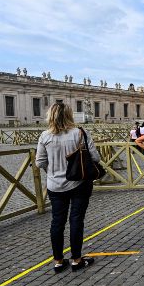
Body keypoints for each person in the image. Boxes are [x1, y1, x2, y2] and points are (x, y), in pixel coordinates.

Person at [35, 103, 99, 273]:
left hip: (54, 185)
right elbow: (95, 157)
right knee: (76, 220)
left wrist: (52, 171)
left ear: (50, 116)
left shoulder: (45, 136)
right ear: (70, 115)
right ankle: (76, 260)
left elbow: (39, 162)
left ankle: (58, 261)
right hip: (79, 183)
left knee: (57, 222)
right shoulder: (80, 133)